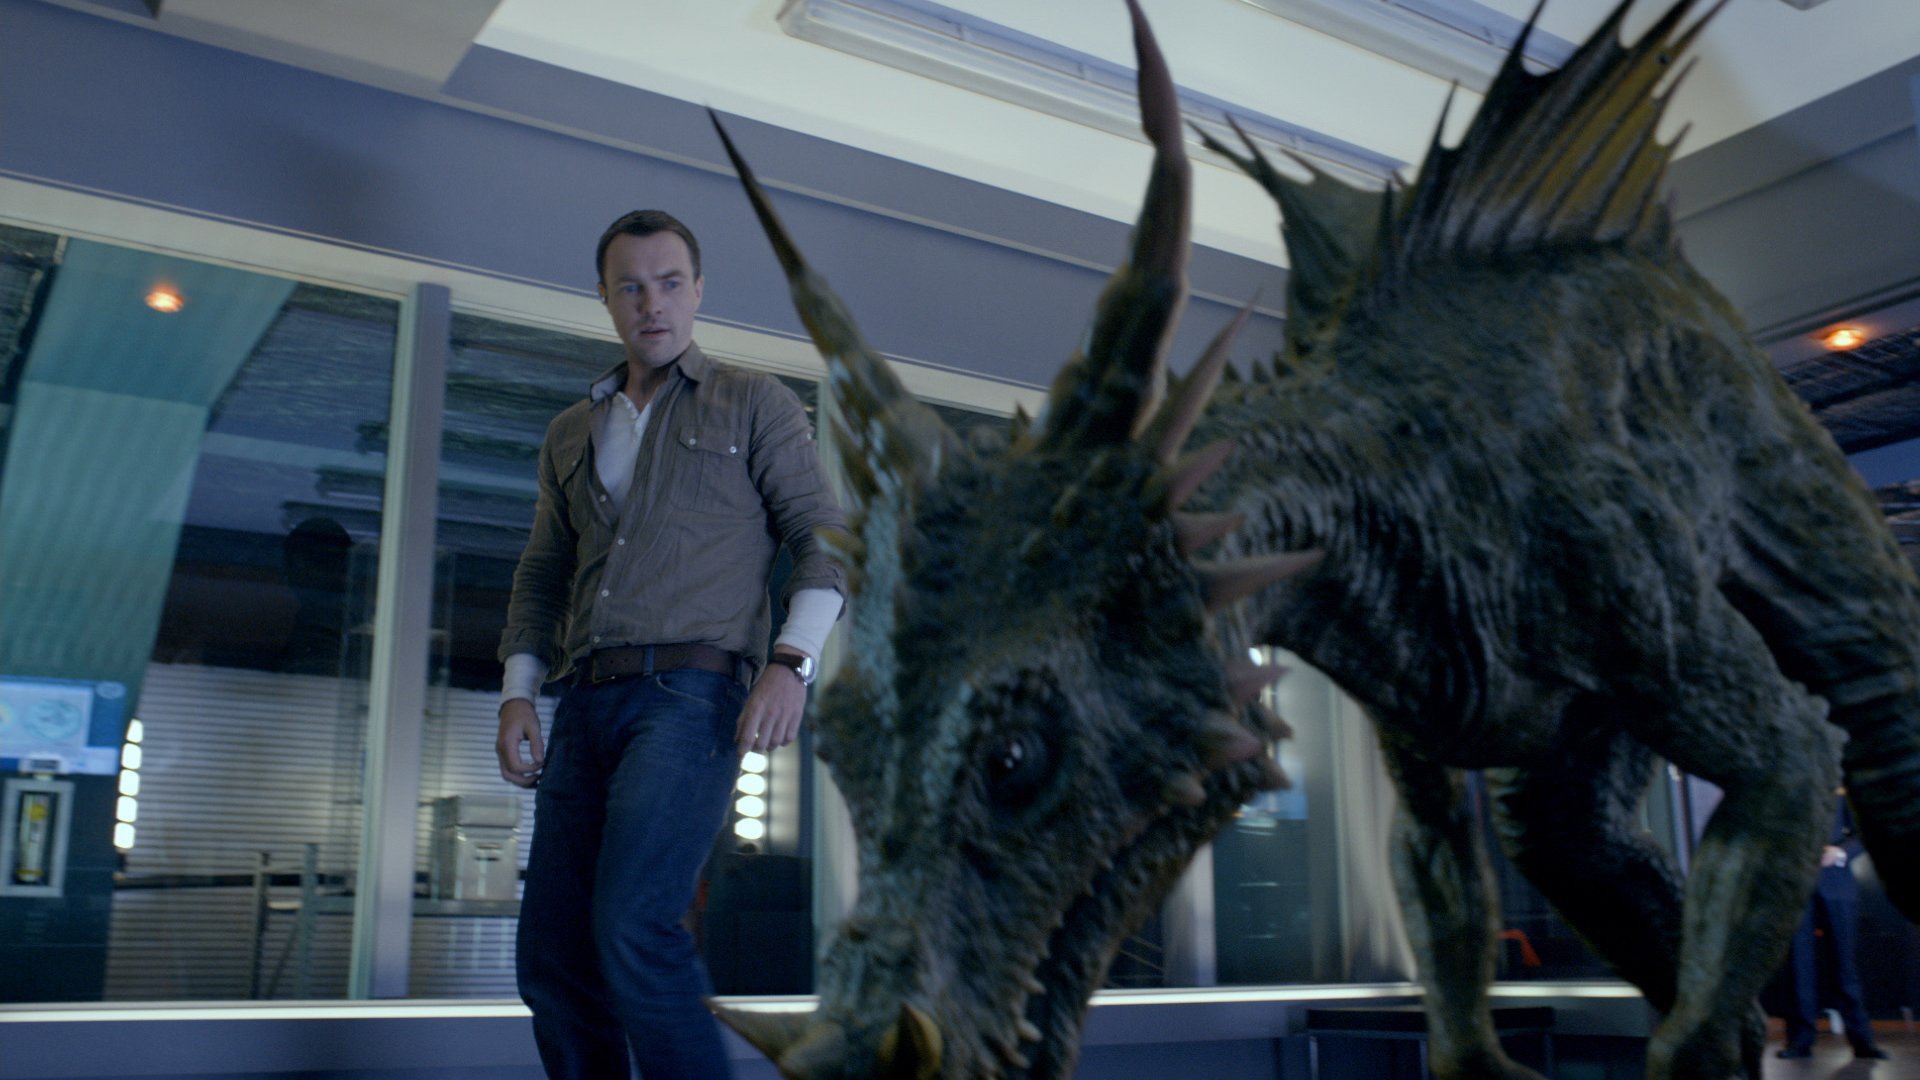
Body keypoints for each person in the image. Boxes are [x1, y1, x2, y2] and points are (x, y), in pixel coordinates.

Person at [494, 208, 845, 1078]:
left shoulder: (753, 401)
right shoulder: (571, 432)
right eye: (631, 287)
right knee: (550, 955)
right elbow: (543, 572)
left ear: (698, 291)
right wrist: (517, 690)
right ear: (606, 298)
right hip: (583, 702)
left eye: (669, 283)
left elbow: (825, 541)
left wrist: (792, 663)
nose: (652, 303)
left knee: (633, 923)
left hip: (690, 698)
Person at [1777, 792, 1889, 1061]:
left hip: (1837, 885)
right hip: (1795, 884)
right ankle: (1800, 1041)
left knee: (1844, 965)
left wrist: (1840, 852)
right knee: (1799, 966)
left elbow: (1866, 831)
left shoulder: (1841, 788)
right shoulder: (1787, 787)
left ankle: (1862, 1041)